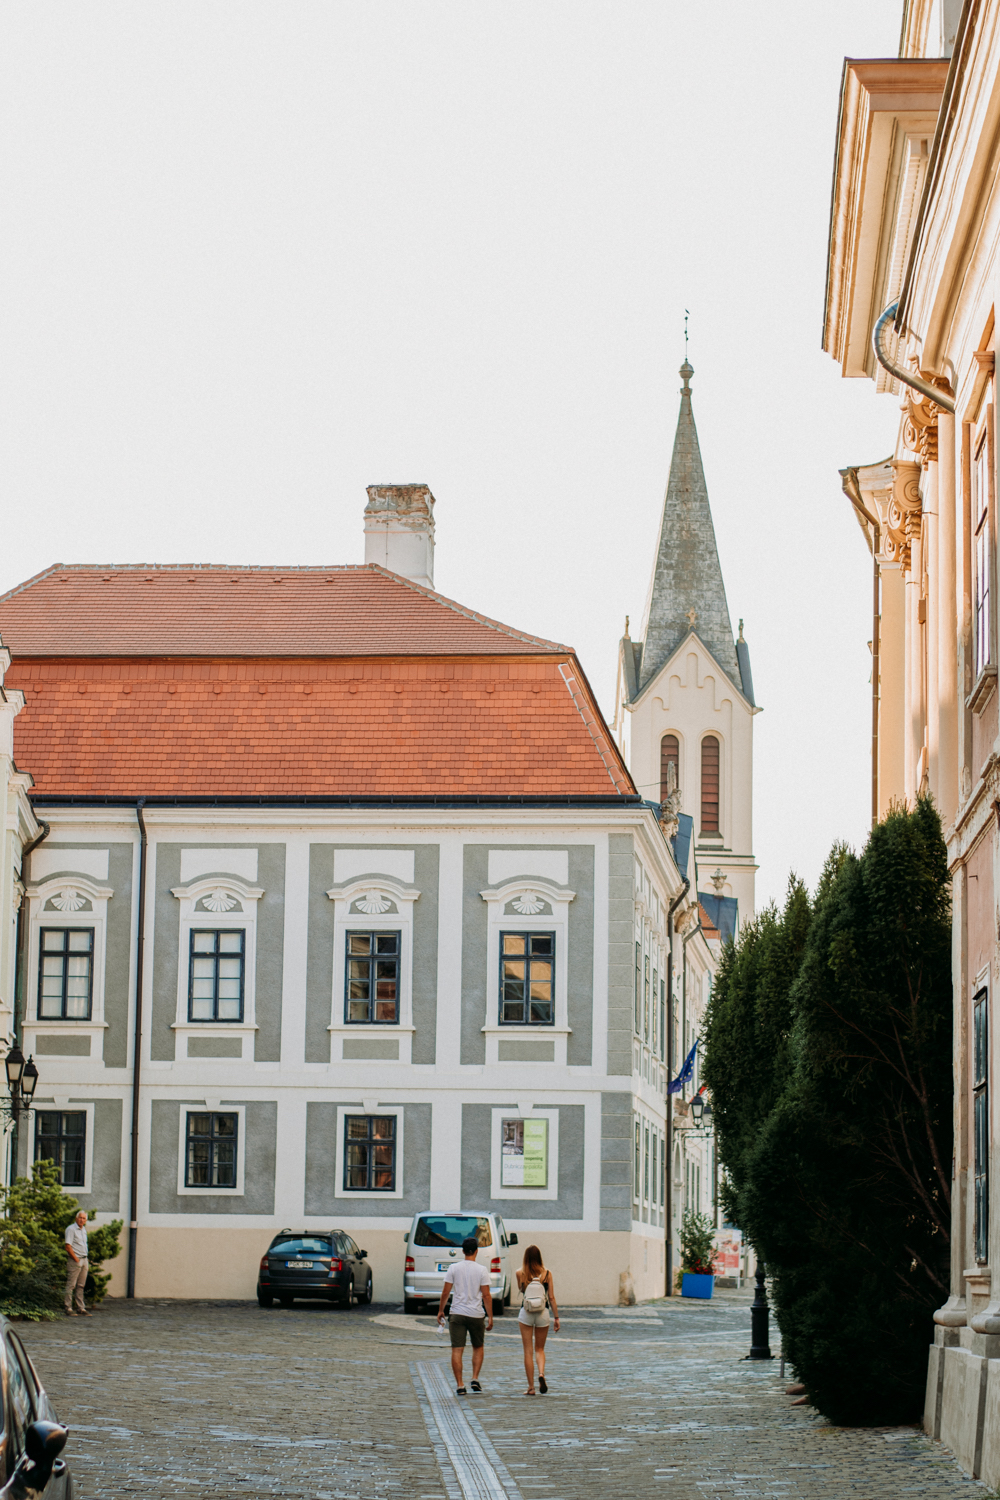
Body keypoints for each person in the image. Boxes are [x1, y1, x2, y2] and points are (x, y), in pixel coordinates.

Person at [436, 1236, 493, 1395]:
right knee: (478, 1347)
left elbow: (446, 1291)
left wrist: (441, 1310)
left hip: (457, 1313)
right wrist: (490, 1316)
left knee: (457, 1350)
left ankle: (460, 1385)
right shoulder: (482, 1270)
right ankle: (475, 1378)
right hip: (476, 1314)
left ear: (462, 1251)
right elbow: (486, 1295)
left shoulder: (453, 1268)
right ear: (476, 1251)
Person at [516, 1245, 559, 1394]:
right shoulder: (547, 1274)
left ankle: (531, 1387)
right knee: (539, 1349)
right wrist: (557, 1318)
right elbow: (551, 1297)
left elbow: (522, 1291)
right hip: (543, 1312)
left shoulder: (520, 1273)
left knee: (527, 1351)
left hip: (526, 1312)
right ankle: (541, 1373)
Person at [64, 1211, 91, 1317]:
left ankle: (81, 1308)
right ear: (76, 1218)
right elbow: (68, 1246)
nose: (82, 1220)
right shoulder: (71, 1229)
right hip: (75, 1260)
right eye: (80, 1218)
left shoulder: (83, 1230)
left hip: (84, 1260)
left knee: (81, 1285)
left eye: (84, 1218)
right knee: (71, 1285)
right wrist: (75, 1259)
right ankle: (68, 1308)